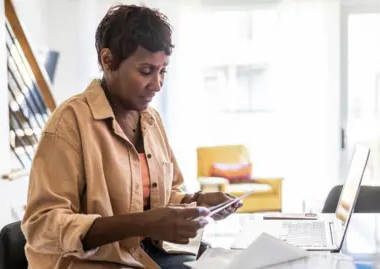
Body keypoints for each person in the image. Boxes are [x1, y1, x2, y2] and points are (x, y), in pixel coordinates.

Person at [21, 4, 242, 269]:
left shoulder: (151, 120)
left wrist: (197, 201)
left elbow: (164, 197)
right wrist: (145, 222)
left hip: (147, 256)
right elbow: (42, 225)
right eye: (146, 71)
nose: (157, 84)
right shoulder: (69, 123)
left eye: (163, 71)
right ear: (108, 60)